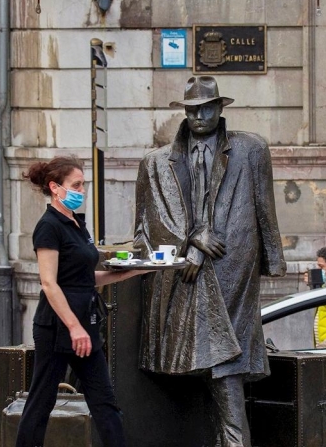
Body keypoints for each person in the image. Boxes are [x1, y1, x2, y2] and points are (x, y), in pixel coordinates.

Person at [134, 76, 286, 447]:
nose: (199, 115)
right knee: (217, 362)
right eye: (192, 109)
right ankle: (231, 439)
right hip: (184, 277)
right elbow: (143, 229)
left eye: (206, 107)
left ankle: (233, 439)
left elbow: (264, 207)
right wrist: (190, 241)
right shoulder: (155, 163)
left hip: (233, 265)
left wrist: (273, 260)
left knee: (224, 357)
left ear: (220, 109)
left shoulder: (251, 150)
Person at [16, 156, 150, 447]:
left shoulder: (77, 224)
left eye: (83, 184)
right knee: (42, 401)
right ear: (55, 188)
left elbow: (86, 278)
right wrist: (74, 327)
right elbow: (50, 283)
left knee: (104, 401)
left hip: (84, 325)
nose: (82, 190)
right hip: (57, 328)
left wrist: (135, 270)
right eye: (76, 185)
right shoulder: (49, 227)